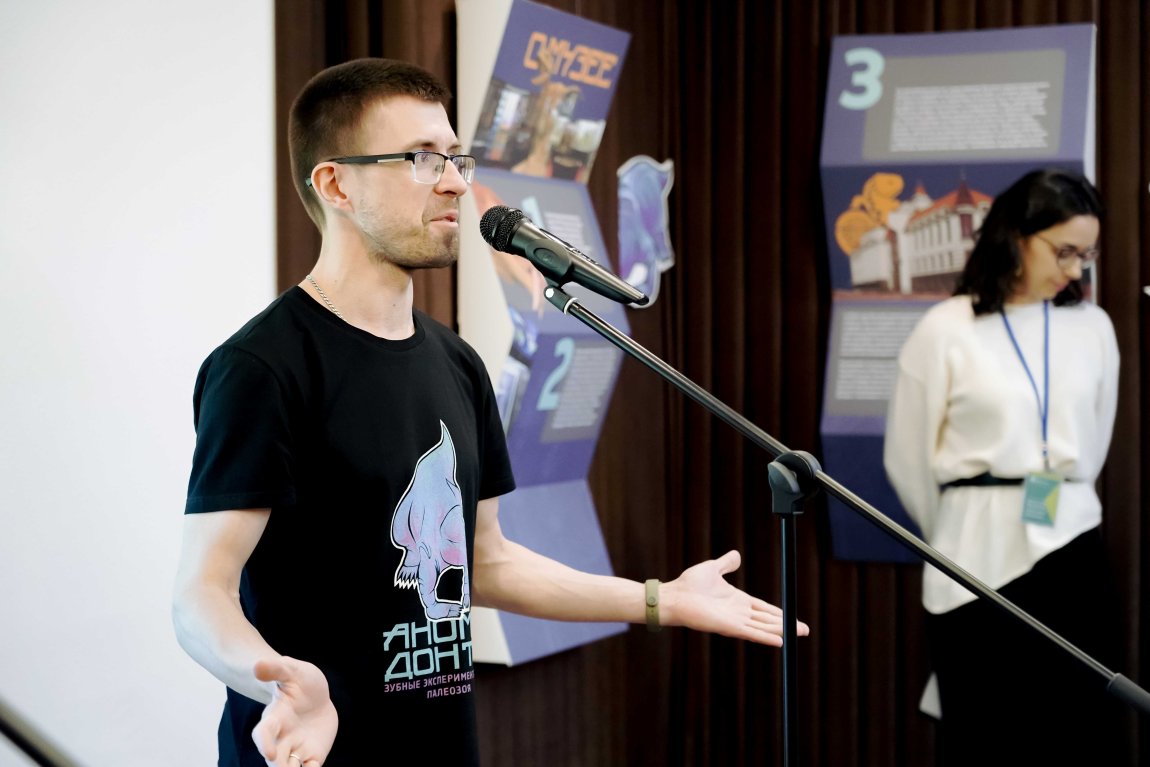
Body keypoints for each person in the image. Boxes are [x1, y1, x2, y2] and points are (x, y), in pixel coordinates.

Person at [172, 57, 807, 767]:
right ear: (336, 184)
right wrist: (280, 682)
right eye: (420, 158)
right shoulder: (262, 369)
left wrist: (661, 600)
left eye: (455, 157)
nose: (454, 181)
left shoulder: (457, 364)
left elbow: (486, 561)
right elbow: (200, 596)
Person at [884, 169, 1121, 765]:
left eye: (1086, 255)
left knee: (1080, 733)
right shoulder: (947, 328)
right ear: (1016, 236)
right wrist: (958, 526)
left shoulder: (1092, 327)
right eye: (1064, 252)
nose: (1075, 271)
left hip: (1072, 544)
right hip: (972, 554)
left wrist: (1059, 492)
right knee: (983, 734)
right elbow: (907, 460)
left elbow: (1092, 446)